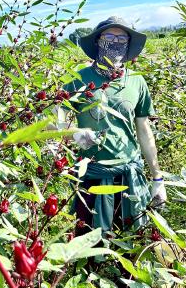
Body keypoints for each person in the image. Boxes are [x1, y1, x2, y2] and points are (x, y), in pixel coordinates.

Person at [51, 16, 167, 234]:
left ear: (128, 44)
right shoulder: (80, 79)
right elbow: (52, 121)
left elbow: (144, 130)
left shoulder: (136, 81)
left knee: (132, 241)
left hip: (129, 174)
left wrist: (157, 177)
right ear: (97, 41)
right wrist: (74, 134)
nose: (115, 42)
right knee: (89, 244)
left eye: (121, 37)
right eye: (109, 36)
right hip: (92, 176)